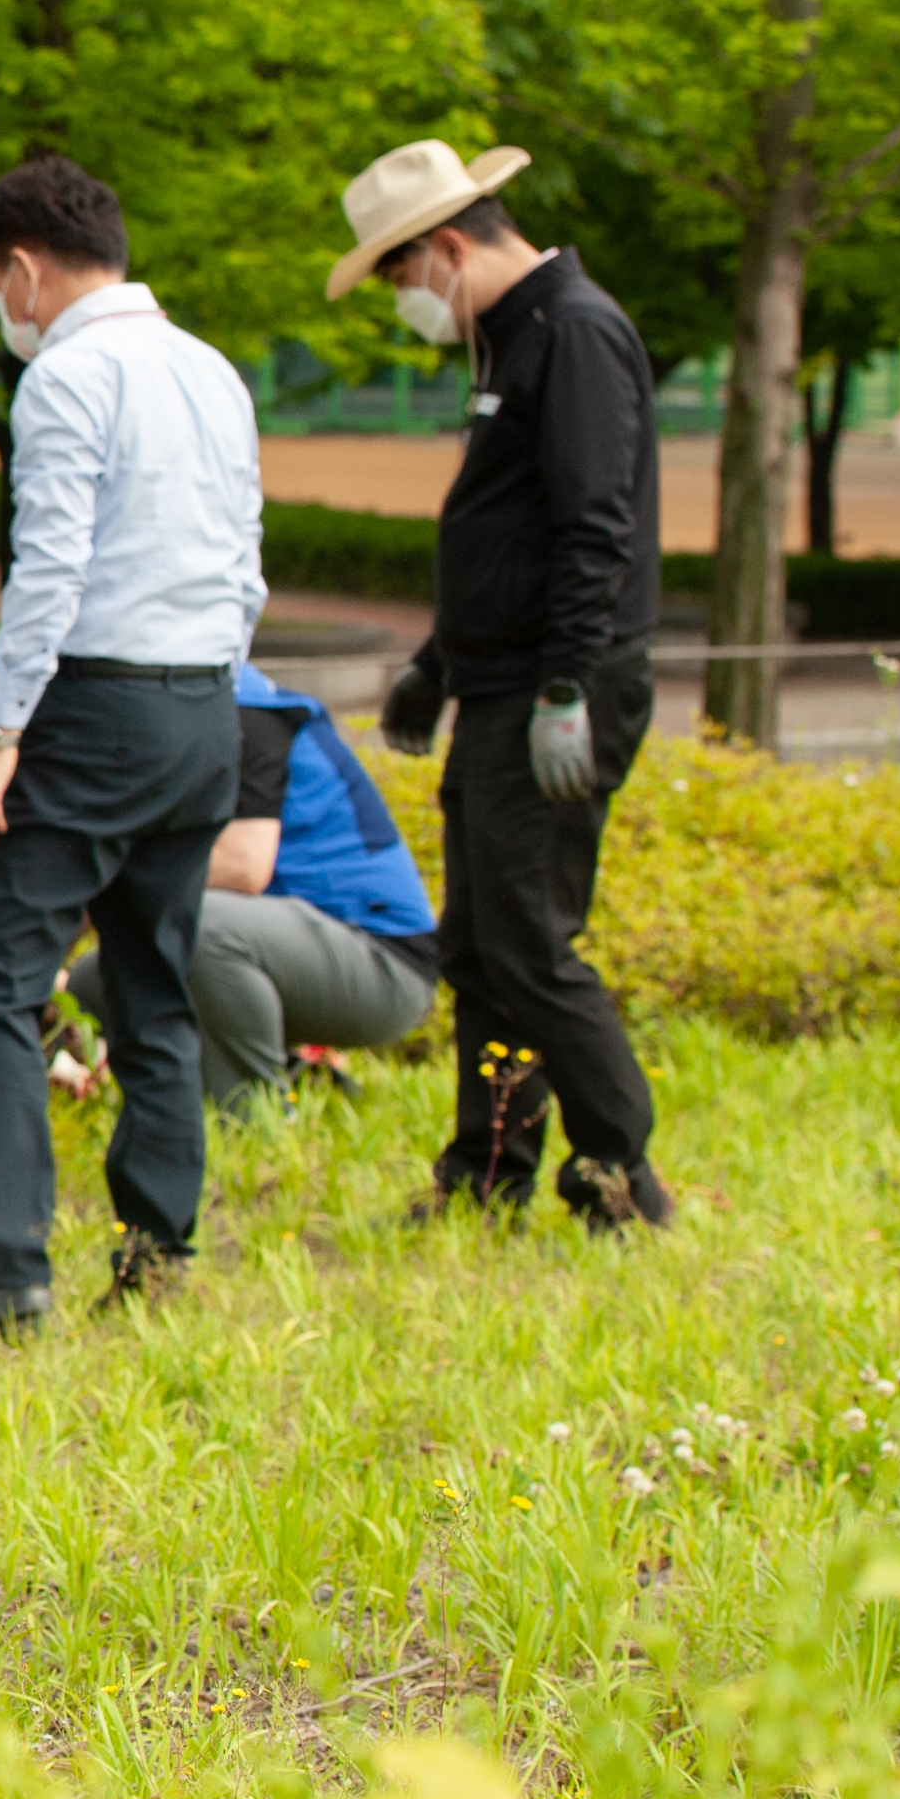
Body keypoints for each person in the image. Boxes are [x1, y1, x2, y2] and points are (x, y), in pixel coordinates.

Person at [0, 154, 266, 1327]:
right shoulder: (210, 369)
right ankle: (157, 1253)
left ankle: (3, 1272)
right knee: (152, 986)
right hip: (201, 706)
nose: (1, 311)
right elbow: (247, 556)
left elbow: (49, 567)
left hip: (93, 707)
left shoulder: (68, 375)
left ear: (20, 269)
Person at [328, 140, 672, 1228]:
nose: (404, 305)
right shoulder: (507, 342)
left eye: (398, 280)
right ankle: (487, 1170)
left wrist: (565, 687)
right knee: (479, 948)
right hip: (499, 687)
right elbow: (503, 538)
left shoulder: (571, 335)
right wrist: (437, 665)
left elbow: (591, 530)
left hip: (549, 695)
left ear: (443, 247)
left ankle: (617, 1173)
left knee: (530, 942)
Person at [68, 665, 438, 1107]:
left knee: (201, 932)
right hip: (292, 946)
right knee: (92, 983)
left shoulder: (250, 717)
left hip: (382, 962)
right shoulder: (179, 716)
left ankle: (253, 1116)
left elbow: (244, 866)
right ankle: (285, 1081)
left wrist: (95, 889)